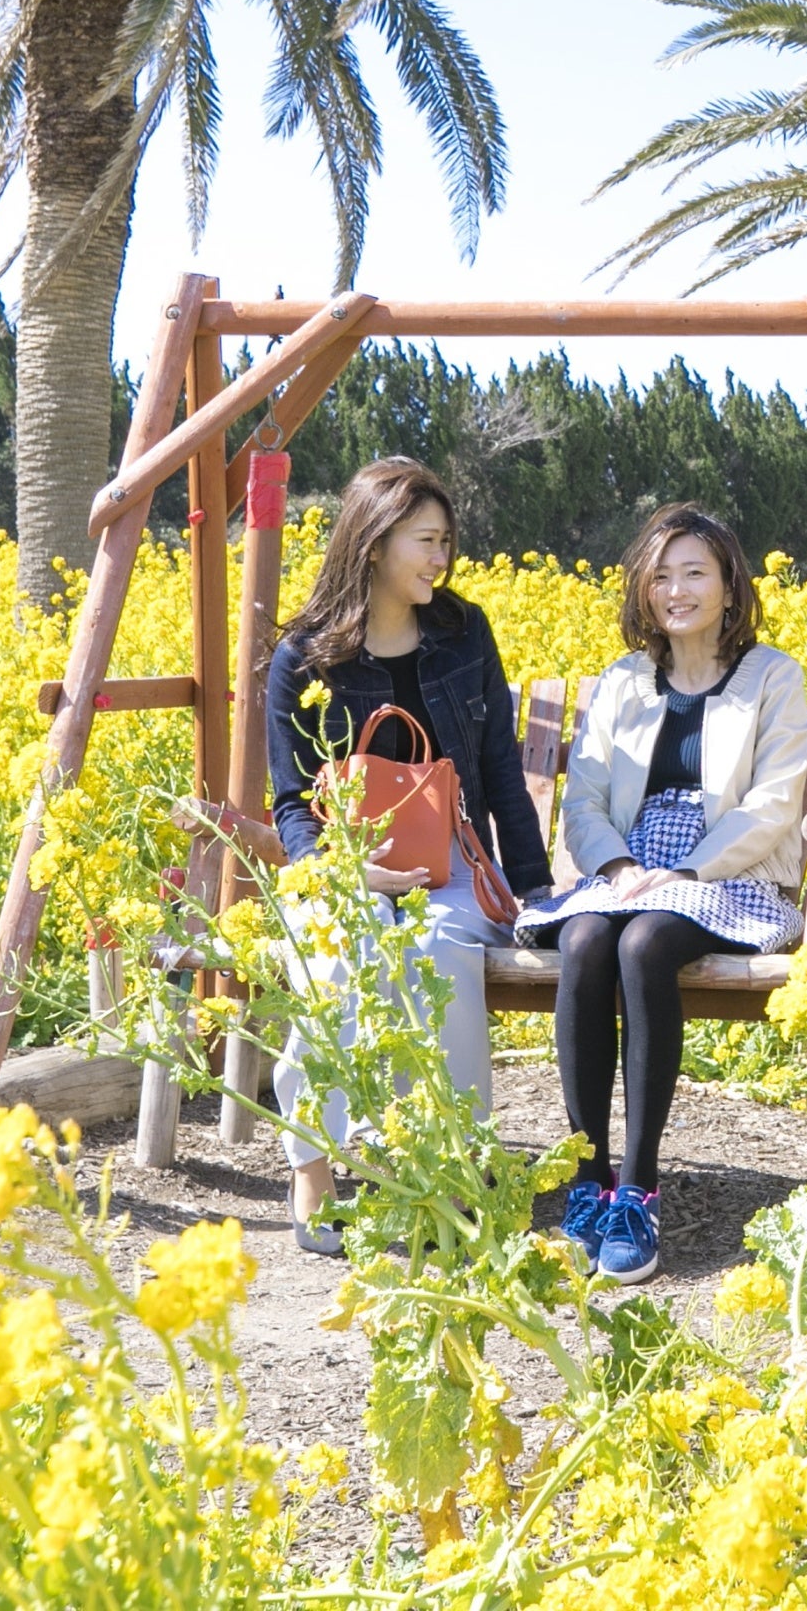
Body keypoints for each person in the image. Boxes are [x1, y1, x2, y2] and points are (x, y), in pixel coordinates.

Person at [258, 456, 549, 1254]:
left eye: (446, 541)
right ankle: (314, 1174)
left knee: (437, 946)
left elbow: (498, 770)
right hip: (339, 870)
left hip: (448, 867)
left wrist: (536, 891)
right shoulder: (304, 657)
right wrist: (340, 871)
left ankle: (454, 1164)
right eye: (425, 540)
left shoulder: (464, 633)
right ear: (375, 540)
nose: (440, 559)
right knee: (336, 947)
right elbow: (289, 800)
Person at [526, 504, 807, 1284]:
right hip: (627, 868)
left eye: (695, 572)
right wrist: (617, 868)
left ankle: (639, 1189)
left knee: (648, 940)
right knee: (587, 939)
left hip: (730, 875)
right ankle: (588, 1182)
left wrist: (686, 874)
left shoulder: (771, 677)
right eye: (661, 576)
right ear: (642, 591)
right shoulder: (623, 681)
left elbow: (773, 804)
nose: (677, 590)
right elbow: (583, 797)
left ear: (729, 584)